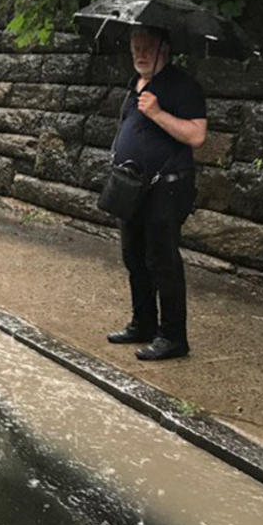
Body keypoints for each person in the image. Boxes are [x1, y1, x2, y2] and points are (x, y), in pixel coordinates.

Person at [106, 25, 208, 360]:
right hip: (133, 186)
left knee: (162, 261)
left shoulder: (183, 86)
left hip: (168, 187)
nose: (140, 53)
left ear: (165, 47)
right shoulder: (135, 84)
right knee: (133, 255)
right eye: (136, 46)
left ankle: (174, 336)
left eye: (148, 46)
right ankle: (143, 324)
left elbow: (196, 136)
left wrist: (158, 113)